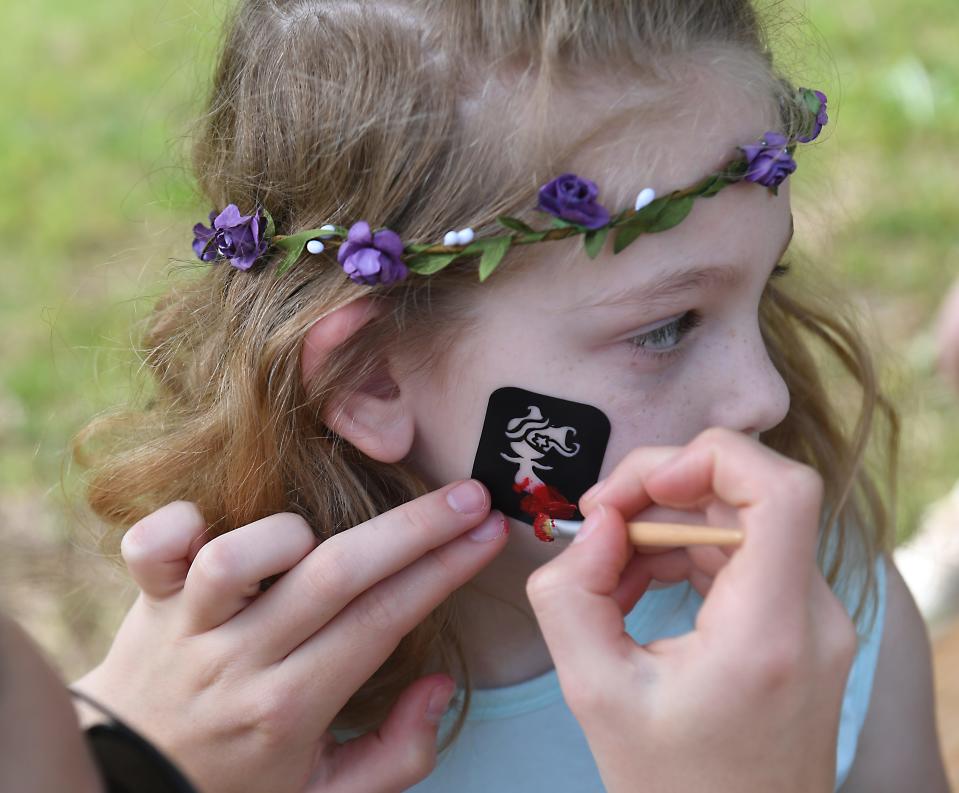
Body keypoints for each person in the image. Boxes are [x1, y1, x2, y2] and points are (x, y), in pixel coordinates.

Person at [68, 1, 951, 791]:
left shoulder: (816, 604)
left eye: (767, 280)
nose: (762, 395)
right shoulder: (246, 735)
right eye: (666, 326)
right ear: (369, 376)